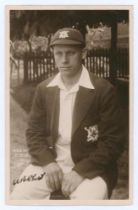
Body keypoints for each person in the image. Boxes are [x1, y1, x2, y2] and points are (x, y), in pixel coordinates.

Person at [11, 27, 124, 200]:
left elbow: (113, 142)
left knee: (89, 199)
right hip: (51, 165)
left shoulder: (103, 90)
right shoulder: (44, 89)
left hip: (91, 168)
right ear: (53, 54)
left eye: (70, 53)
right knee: (20, 194)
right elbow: (34, 133)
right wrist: (48, 162)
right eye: (58, 53)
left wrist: (81, 171)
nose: (64, 60)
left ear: (83, 53)